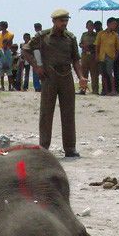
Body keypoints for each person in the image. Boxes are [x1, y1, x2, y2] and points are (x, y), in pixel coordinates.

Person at [21, 9, 88, 157]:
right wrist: (36, 66)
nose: (64, 23)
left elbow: (75, 60)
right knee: (46, 113)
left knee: (68, 113)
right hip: (49, 77)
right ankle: (44, 147)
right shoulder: (42, 36)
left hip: (66, 76)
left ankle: (70, 148)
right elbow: (25, 50)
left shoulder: (70, 38)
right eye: (61, 21)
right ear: (54, 21)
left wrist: (81, 77)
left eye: (66, 20)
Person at [95, 17, 119, 96]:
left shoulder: (115, 35)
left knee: (110, 73)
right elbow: (97, 45)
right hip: (102, 56)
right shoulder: (101, 34)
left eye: (115, 24)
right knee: (103, 74)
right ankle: (106, 91)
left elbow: (118, 47)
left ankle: (113, 90)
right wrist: (97, 55)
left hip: (110, 56)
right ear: (108, 24)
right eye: (113, 24)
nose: (114, 26)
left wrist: (115, 56)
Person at [78, 20, 98, 95]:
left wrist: (91, 47)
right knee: (84, 73)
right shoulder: (84, 34)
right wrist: (83, 46)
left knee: (94, 74)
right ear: (86, 26)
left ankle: (95, 90)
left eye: (91, 26)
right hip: (85, 55)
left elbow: (97, 45)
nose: (90, 27)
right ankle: (83, 89)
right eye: (89, 26)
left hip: (93, 55)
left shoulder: (96, 35)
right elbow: (80, 44)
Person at [31, 22, 43, 92]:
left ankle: (37, 86)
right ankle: (40, 86)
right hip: (40, 54)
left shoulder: (36, 36)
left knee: (36, 70)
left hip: (37, 53)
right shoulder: (44, 35)